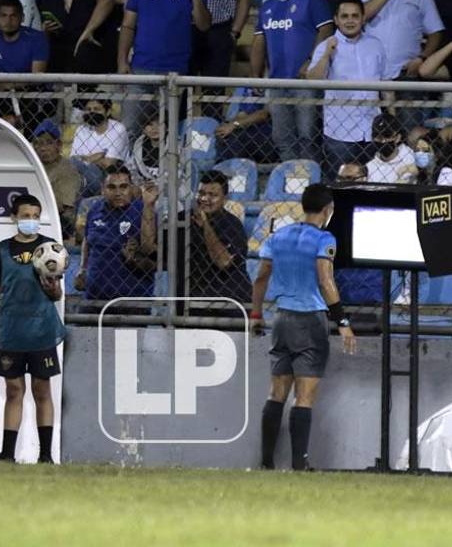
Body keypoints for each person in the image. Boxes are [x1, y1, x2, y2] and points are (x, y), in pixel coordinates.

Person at [252, 182, 356, 470]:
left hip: (281, 318)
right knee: (304, 396)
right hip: (310, 320)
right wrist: (343, 322)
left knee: (276, 393)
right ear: (328, 210)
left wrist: (256, 315)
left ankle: (266, 462)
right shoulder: (325, 240)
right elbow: (325, 280)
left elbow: (260, 278)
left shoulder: (279, 236)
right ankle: (300, 464)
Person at [0, 194, 65, 464]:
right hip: (12, 329)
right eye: (25, 216)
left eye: (35, 216)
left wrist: (53, 288)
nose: (30, 221)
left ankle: (46, 455)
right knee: (13, 390)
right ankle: (7, 454)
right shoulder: (1, 249)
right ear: (14, 217)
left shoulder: (50, 249)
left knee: (41, 390)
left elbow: (57, 295)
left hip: (41, 329)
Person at [251, 0, 334, 161]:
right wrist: (254, 74)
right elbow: (259, 41)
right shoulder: (267, 6)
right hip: (277, 81)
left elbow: (326, 31)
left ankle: (310, 184)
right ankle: (292, 182)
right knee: (282, 137)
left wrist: (311, 61)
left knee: (308, 136)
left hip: (305, 82)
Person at [140, 169, 250, 307]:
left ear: (224, 198)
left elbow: (224, 262)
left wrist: (205, 225)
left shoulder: (232, 224)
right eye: (202, 193)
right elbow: (149, 247)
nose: (205, 199)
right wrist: (148, 205)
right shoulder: (182, 220)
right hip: (186, 304)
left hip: (225, 304)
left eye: (213, 195)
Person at [305, 0, 388, 173]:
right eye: (345, 16)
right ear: (336, 19)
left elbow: (385, 85)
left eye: (355, 16)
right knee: (340, 188)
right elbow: (312, 79)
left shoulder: (376, 45)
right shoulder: (325, 46)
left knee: (374, 184)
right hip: (339, 132)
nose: (350, 21)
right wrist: (327, 54)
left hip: (373, 129)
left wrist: (389, 121)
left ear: (363, 18)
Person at [360, 0, 445, 82]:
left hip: (405, 72)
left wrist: (422, 58)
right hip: (369, 69)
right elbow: (361, 16)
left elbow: (436, 33)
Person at [76, 164, 151, 300]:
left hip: (131, 299)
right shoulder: (94, 209)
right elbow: (87, 240)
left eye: (123, 187)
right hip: (93, 297)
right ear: (102, 189)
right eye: (111, 187)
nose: (118, 193)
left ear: (132, 188)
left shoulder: (144, 211)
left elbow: (153, 255)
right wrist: (82, 268)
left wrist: (136, 260)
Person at [32, 120, 81, 241]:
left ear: (59, 145)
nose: (43, 148)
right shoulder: (33, 165)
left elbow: (65, 207)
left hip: (59, 222)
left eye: (49, 143)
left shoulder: (67, 170)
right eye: (38, 143)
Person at [0, 0, 50, 74]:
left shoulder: (37, 39)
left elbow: (37, 79)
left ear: (22, 18)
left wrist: (6, 85)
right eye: (3, 16)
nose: (8, 21)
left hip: (29, 86)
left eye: (13, 16)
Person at [72, 98, 129, 170]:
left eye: (97, 109)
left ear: (108, 112)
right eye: (88, 109)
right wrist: (98, 156)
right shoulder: (81, 129)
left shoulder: (118, 129)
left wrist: (86, 160)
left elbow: (109, 164)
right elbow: (74, 160)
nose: (92, 112)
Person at [365, 113, 417, 184]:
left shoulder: (412, 158)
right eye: (378, 137)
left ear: (398, 137)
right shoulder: (369, 164)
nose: (383, 141)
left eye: (387, 136)